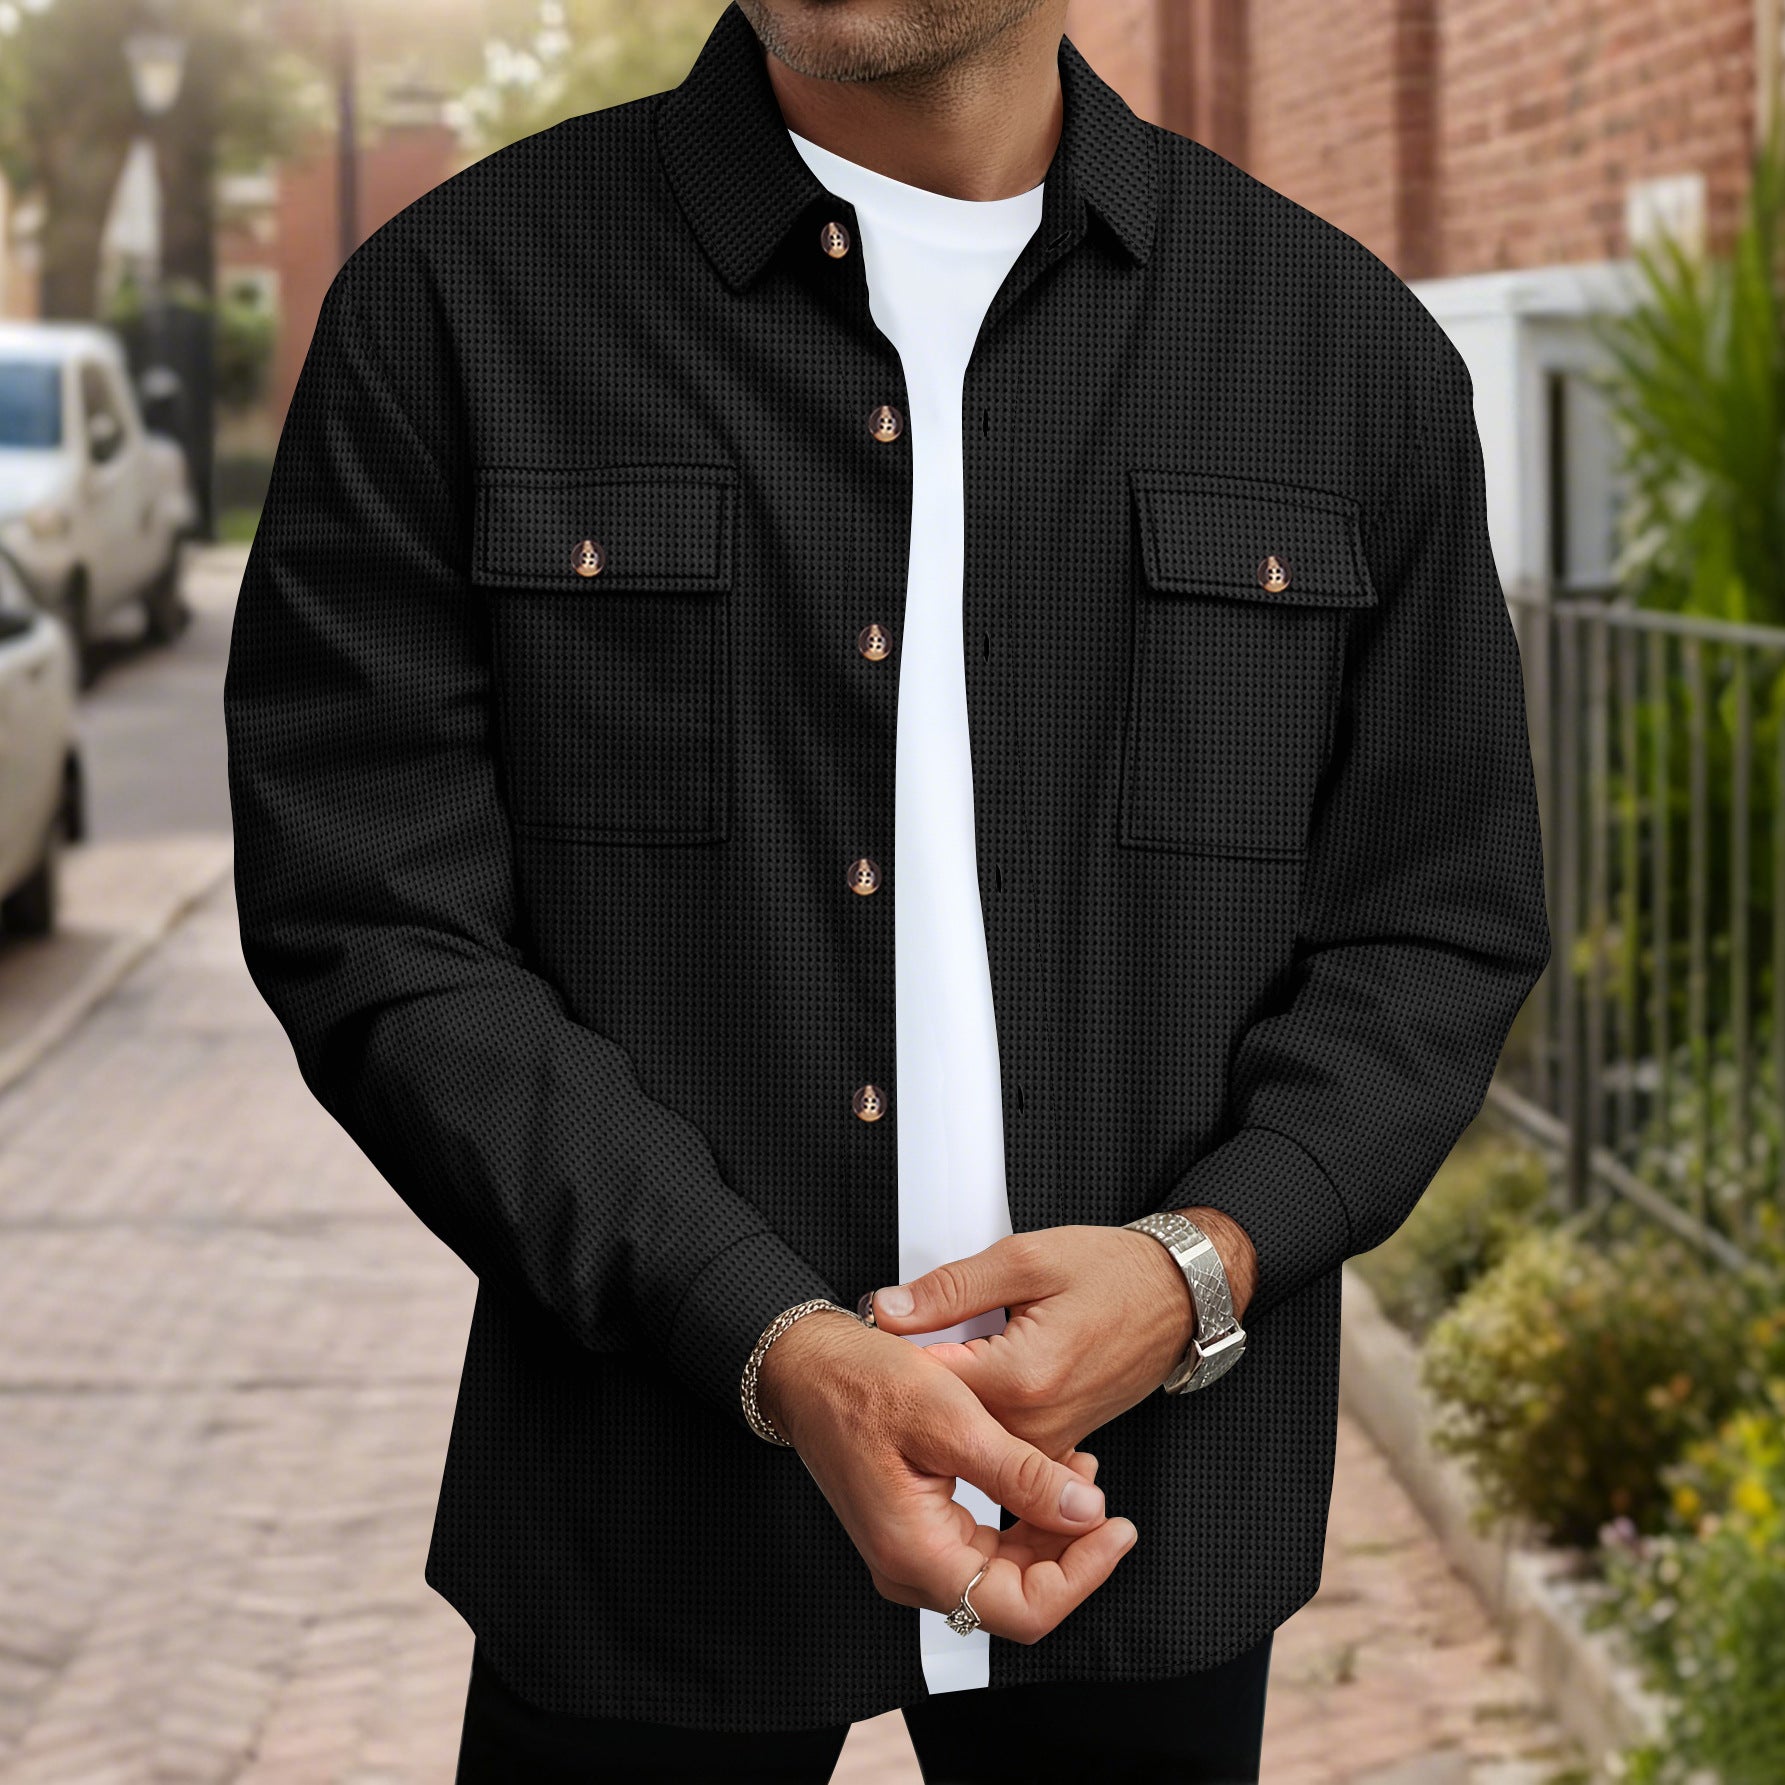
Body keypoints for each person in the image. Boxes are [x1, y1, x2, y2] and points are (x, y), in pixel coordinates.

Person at [222, 0, 1551, 1778]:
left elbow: (1432, 924)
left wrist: (1193, 1270)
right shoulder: (456, 309)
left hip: (1135, 1524)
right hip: (645, 1512)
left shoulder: (1339, 349)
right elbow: (377, 924)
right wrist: (767, 1336)